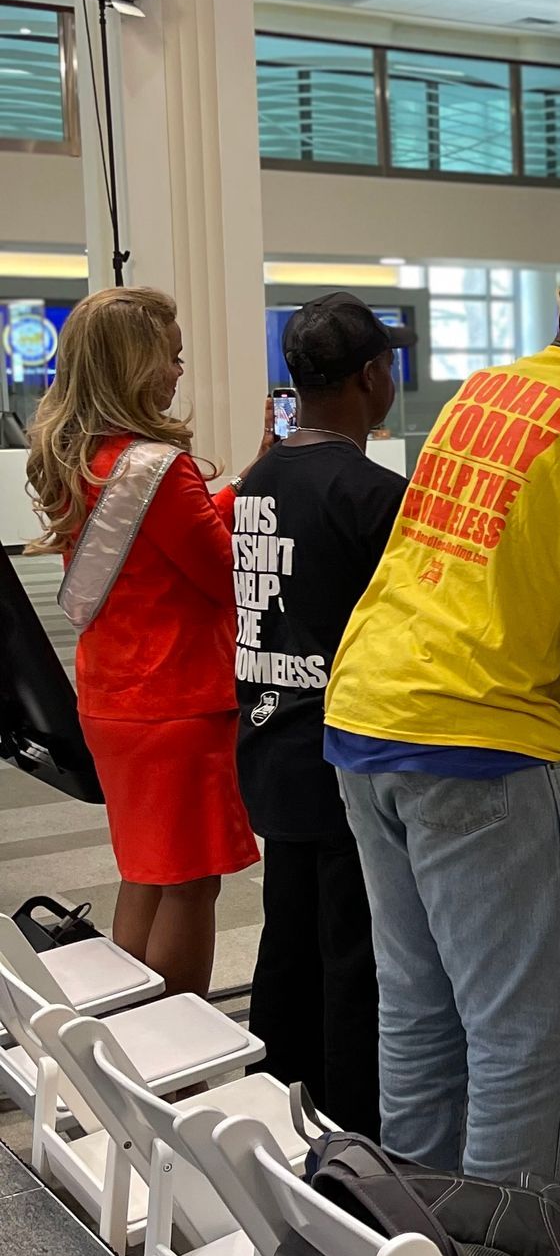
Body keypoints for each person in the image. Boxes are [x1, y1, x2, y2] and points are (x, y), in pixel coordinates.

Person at [325, 246, 560, 1184]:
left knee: (418, 1006)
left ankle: (415, 1250)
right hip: (481, 739)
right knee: (529, 1033)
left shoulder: (481, 392)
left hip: (367, 714)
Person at [24, 286, 256, 995]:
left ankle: (132, 1046)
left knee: (147, 874)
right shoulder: (157, 467)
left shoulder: (82, 457)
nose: (179, 372)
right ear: (136, 365)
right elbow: (224, 576)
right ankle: (179, 1063)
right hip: (178, 701)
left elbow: (160, 543)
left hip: (113, 698)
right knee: (191, 886)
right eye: (172, 357)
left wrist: (237, 489)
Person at [232, 296, 411, 1136]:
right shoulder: (375, 495)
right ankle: (352, 1133)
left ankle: (276, 1097)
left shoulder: (258, 478)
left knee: (289, 937)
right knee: (354, 955)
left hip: (268, 741)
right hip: (345, 752)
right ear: (375, 376)